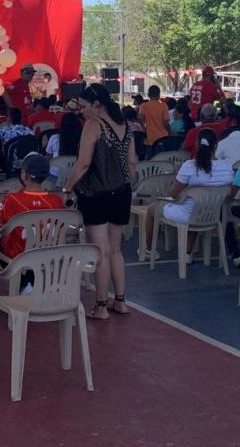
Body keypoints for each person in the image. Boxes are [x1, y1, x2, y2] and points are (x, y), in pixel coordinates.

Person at [64, 84, 136, 320]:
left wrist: (68, 187)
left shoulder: (94, 126)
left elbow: (83, 164)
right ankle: (122, 301)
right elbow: (132, 163)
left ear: (97, 105)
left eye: (84, 106)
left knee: (100, 252)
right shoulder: (125, 125)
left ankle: (101, 306)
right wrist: (126, 184)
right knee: (116, 250)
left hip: (97, 195)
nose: (81, 111)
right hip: (122, 193)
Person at [140, 129, 230, 256]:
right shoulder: (226, 167)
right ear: (216, 146)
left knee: (151, 210)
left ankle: (149, 250)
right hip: (212, 214)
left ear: (197, 145)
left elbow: (173, 194)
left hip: (188, 214)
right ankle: (187, 252)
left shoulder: (189, 166)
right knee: (196, 205)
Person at [0, 154, 65, 260]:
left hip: (18, 256)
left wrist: (17, 190)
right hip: (47, 255)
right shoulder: (56, 201)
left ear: (24, 175)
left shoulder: (12, 199)